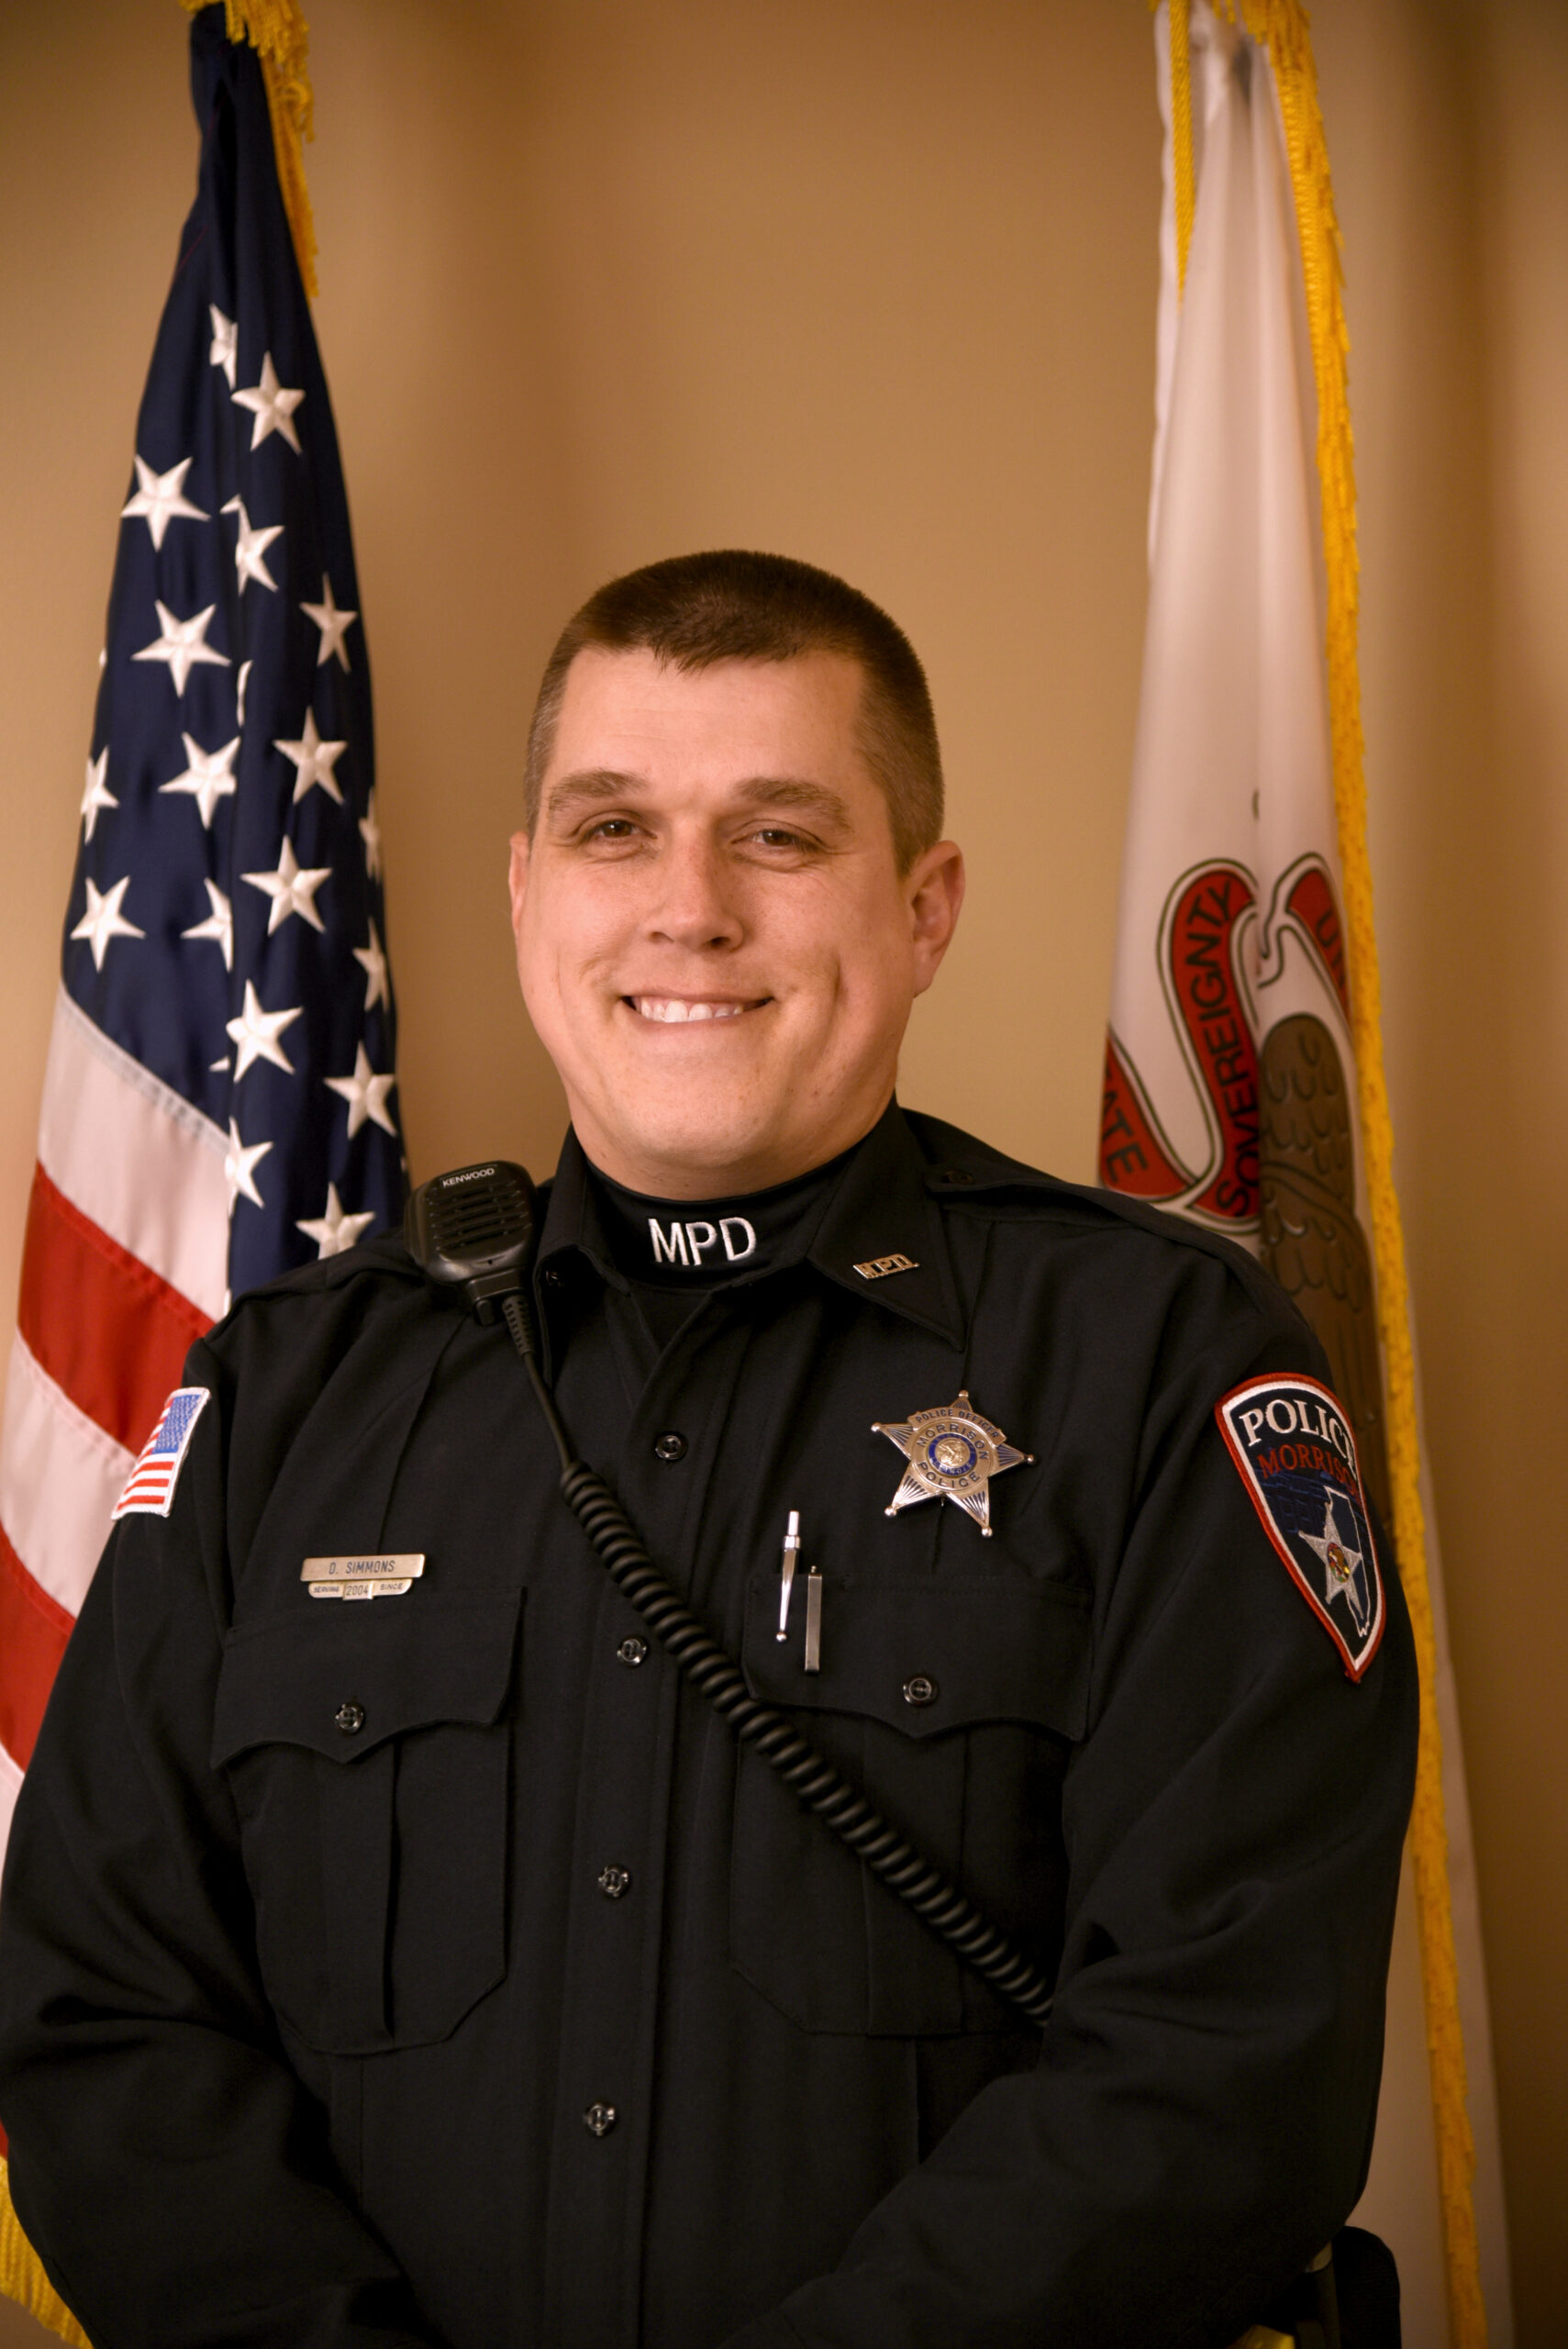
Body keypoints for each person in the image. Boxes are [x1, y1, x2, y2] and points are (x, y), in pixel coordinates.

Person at [0, 551, 1417, 2348]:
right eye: (612, 829)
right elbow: (106, 2010)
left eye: (778, 833)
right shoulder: (289, 1394)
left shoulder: (1164, 1362)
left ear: (925, 907)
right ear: (525, 897)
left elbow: (1235, 2053)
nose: (689, 909)